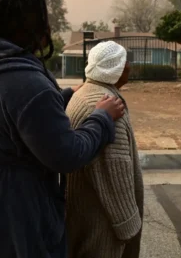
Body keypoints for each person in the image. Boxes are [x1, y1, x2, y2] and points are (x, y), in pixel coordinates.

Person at [0, 0, 125, 258]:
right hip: (15, 213)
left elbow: (22, 115)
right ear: (36, 27)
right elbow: (67, 154)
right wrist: (102, 118)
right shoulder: (27, 83)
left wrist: (64, 95)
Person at [65, 41, 144, 258]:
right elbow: (114, 173)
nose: (129, 65)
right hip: (102, 225)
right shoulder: (107, 105)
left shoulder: (84, 93)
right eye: (125, 61)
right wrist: (128, 225)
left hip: (82, 213)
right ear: (117, 69)